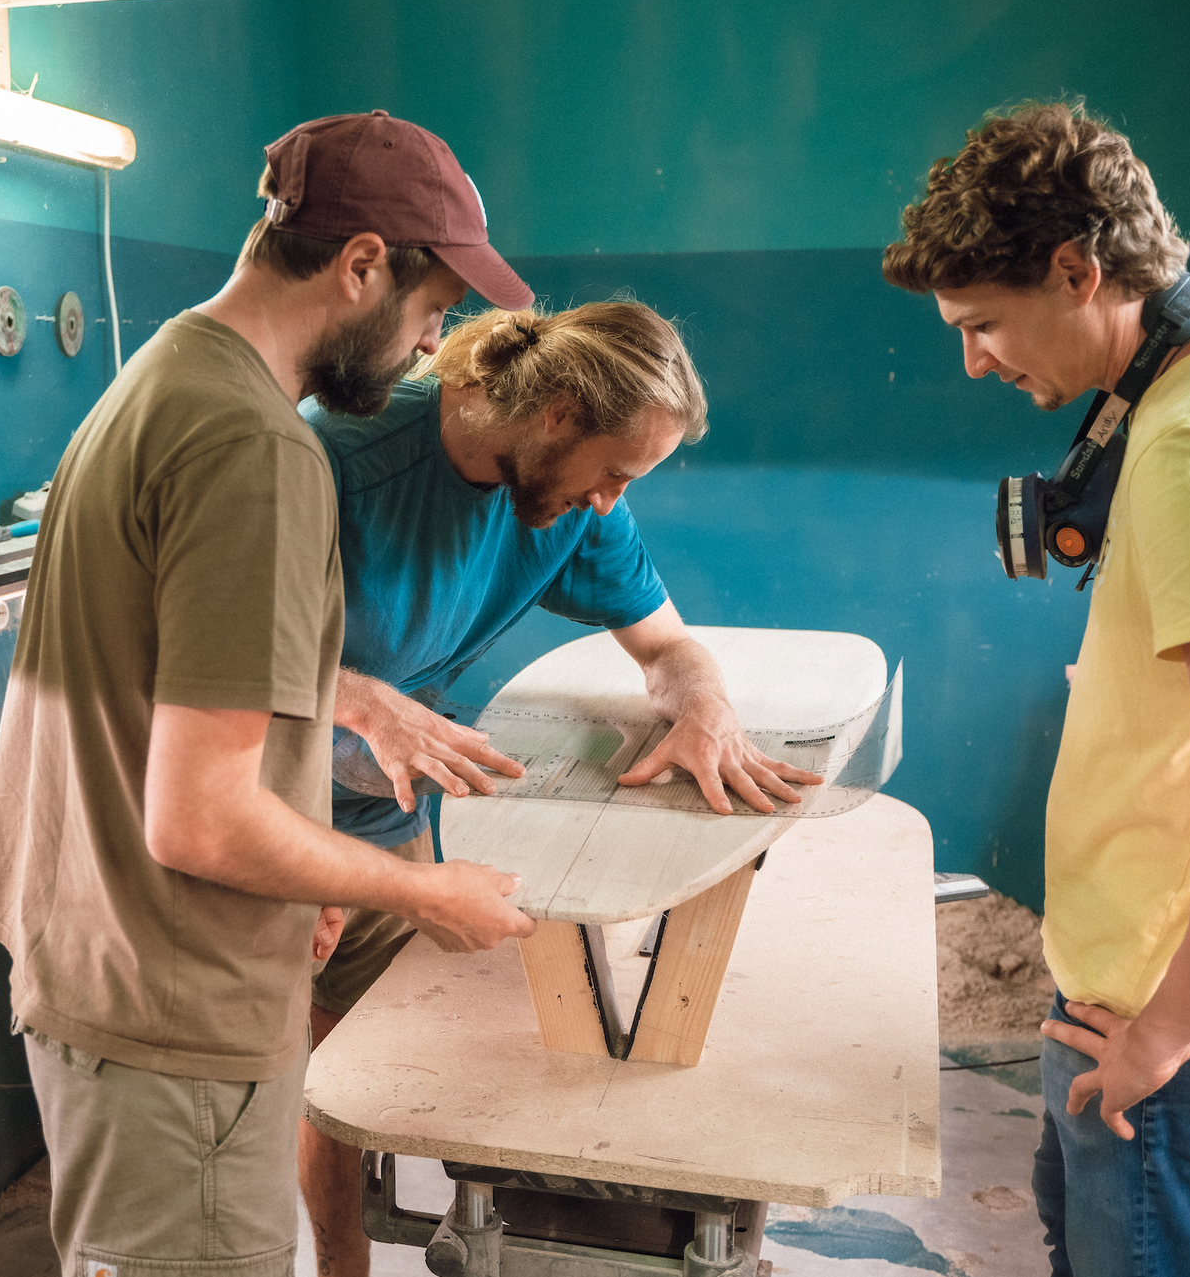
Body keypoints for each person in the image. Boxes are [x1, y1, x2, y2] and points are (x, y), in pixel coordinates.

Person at [0, 110, 539, 1277]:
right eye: (431, 312)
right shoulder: (253, 446)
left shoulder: (165, 375)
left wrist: (311, 868)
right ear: (361, 264)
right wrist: (422, 890)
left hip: (104, 960)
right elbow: (202, 814)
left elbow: (177, 709)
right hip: (170, 1012)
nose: (430, 347)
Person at [883, 100, 1190, 1275]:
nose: (972, 358)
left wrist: (1168, 1031)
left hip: (1184, 1015)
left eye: (983, 322)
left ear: (1077, 270)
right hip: (1174, 978)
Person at [297, 299, 825, 1276]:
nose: (609, 501)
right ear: (555, 414)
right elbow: (200, 661)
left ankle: (339, 1259)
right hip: (238, 805)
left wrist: (700, 701)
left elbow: (664, 643)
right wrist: (350, 720)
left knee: (346, 1065)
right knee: (224, 1094)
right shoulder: (335, 458)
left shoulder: (568, 500)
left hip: (380, 805)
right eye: (615, 471)